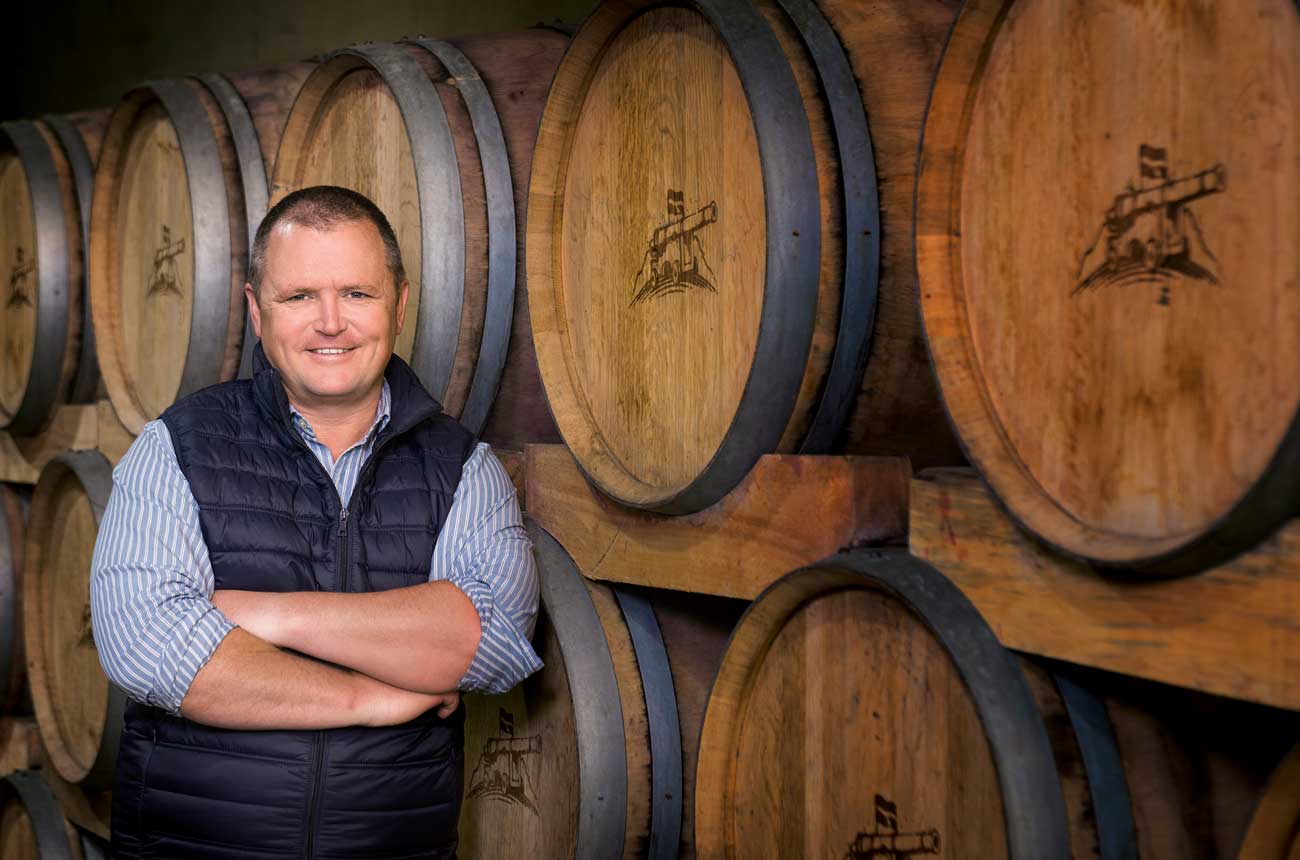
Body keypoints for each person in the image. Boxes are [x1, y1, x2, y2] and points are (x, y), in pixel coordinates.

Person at [89, 185, 541, 859]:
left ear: (400, 302)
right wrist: (369, 695)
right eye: (299, 297)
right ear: (255, 310)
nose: (331, 322)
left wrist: (266, 617)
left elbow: (495, 640)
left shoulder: (462, 467)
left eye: (357, 293)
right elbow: (149, 647)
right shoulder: (179, 445)